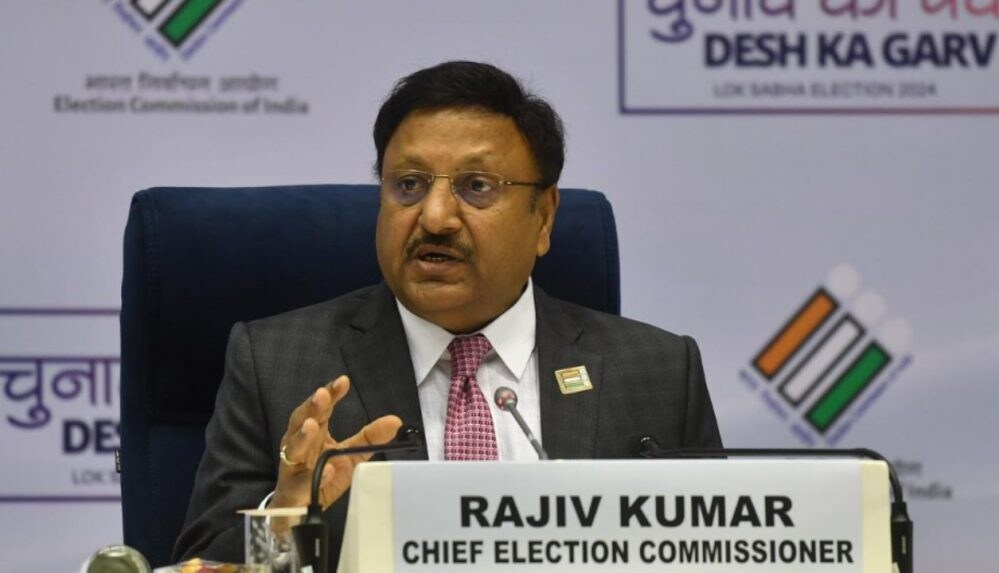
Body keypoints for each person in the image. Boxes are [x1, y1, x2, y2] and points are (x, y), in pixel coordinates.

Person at [172, 61, 722, 571]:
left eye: (476, 187)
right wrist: (285, 522)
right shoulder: (275, 365)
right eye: (409, 185)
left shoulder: (658, 372)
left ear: (544, 216)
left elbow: (718, 554)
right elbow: (205, 565)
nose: (435, 218)